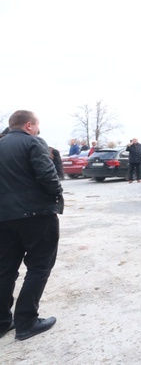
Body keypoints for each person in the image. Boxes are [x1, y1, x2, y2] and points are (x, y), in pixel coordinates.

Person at [0, 110, 64, 340]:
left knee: (5, 270)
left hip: (3, 219)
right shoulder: (33, 142)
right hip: (37, 216)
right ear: (29, 125)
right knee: (39, 267)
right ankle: (26, 322)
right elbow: (48, 176)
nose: (38, 129)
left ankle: (2, 322)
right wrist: (57, 195)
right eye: (37, 125)